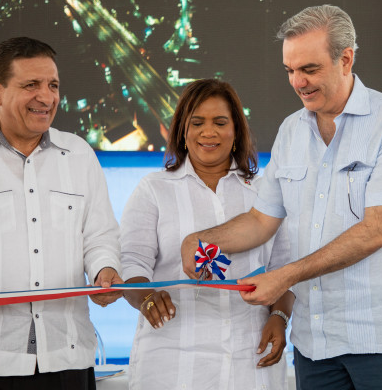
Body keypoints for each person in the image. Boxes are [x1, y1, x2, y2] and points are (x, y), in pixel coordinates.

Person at [181, 5, 382, 389]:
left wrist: (283, 277)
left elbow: (376, 231)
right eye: (289, 70)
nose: (297, 82)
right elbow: (260, 220)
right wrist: (201, 239)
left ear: (346, 59)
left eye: (309, 69)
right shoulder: (291, 131)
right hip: (315, 346)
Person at [0, 37, 123, 388]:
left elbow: (100, 235)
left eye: (53, 85)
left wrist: (105, 269)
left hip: (67, 358)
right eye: (31, 85)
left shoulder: (79, 154)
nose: (47, 97)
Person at [120, 79, 293, 390]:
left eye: (220, 122)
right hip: (172, 365)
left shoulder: (266, 194)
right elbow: (131, 263)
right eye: (197, 123)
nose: (208, 132)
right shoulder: (154, 189)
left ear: (236, 130)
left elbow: (285, 269)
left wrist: (279, 316)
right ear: (182, 131)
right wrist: (145, 297)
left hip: (251, 360)